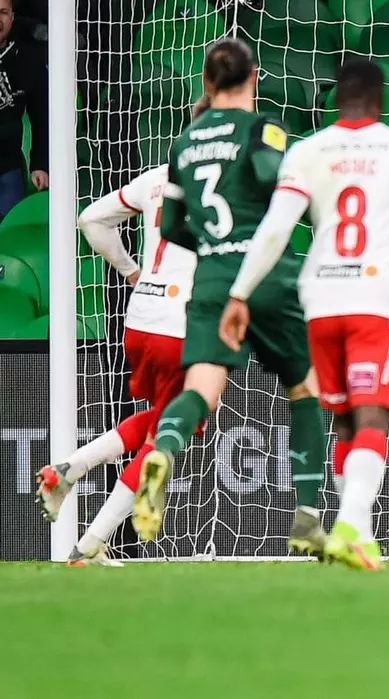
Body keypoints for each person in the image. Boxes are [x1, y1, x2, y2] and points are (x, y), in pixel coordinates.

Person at [217, 58, 389, 571]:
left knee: (343, 418)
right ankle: (349, 523)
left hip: (319, 300)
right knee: (373, 414)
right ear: (382, 101)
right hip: (376, 300)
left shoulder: (307, 150)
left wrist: (239, 293)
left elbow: (275, 230)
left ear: (335, 100)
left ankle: (358, 537)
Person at [138, 38, 328, 556]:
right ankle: (307, 518)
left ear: (206, 82)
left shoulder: (183, 142)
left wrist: (212, 245)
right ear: (254, 77)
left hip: (212, 279)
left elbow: (171, 225)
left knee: (201, 388)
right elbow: (273, 184)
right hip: (266, 274)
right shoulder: (264, 129)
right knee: (304, 387)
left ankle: (163, 452)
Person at [33, 97, 212, 566]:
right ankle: (88, 545)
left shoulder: (157, 177)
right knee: (166, 434)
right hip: (183, 323)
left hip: (142, 318)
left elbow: (90, 219)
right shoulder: (227, 183)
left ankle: (68, 471)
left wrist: (132, 271)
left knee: (161, 419)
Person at [0, 0, 47, 220]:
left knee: (11, 231)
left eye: (3, 12)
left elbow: (42, 115)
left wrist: (40, 164)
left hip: (8, 169)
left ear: (12, 18)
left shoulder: (27, 58)